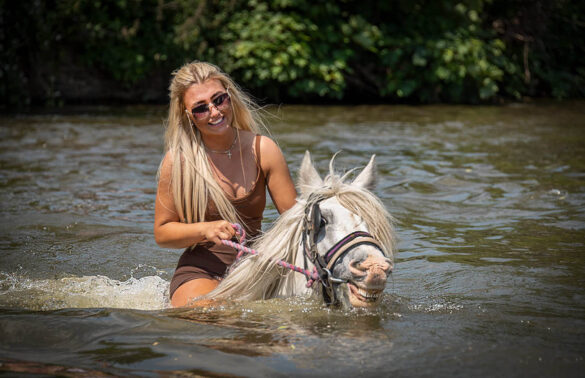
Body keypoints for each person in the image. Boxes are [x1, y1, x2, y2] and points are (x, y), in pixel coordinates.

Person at [154, 61, 297, 307]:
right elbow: (162, 233)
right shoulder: (177, 161)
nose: (215, 112)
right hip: (201, 270)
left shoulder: (264, 150)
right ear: (187, 115)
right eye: (201, 108)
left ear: (230, 97)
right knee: (214, 314)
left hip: (255, 269)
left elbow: (295, 220)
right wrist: (204, 230)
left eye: (219, 100)